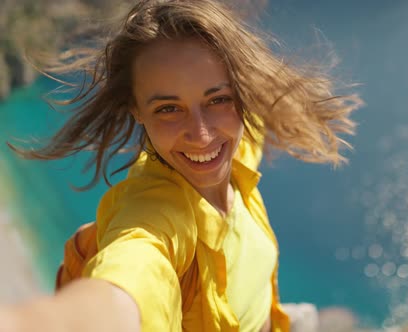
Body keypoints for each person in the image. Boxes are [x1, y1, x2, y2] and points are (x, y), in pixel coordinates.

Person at [0, 0, 362, 331]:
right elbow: (125, 283)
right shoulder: (155, 218)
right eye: (168, 108)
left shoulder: (237, 142)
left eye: (217, 99)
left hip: (273, 319)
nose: (201, 135)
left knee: (343, 320)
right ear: (137, 111)